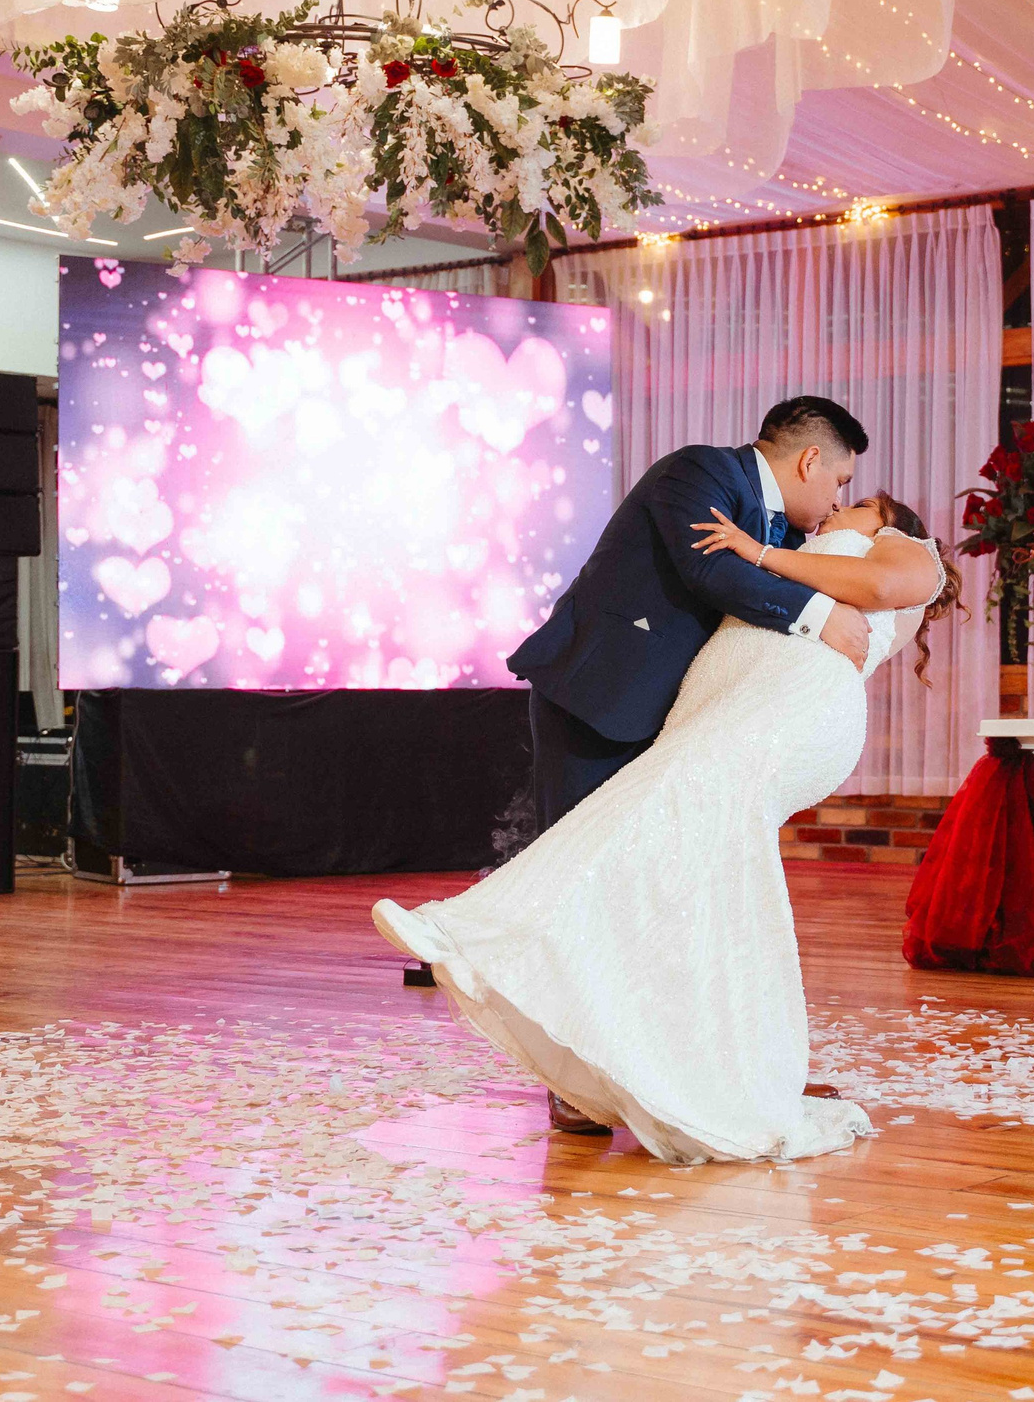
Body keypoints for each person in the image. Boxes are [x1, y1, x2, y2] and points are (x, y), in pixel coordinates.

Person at [376, 489, 961, 1164]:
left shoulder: (909, 555)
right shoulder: (806, 552)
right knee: (693, 871)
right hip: (728, 705)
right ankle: (701, 1062)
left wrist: (757, 553)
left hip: (787, 709)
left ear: (889, 523)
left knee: (639, 813)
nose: (836, 507)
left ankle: (476, 927)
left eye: (858, 502)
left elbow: (879, 586)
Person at [503, 396, 879, 834]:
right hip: (602, 696)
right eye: (840, 482)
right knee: (573, 850)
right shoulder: (703, 468)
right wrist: (821, 614)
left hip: (674, 722)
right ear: (809, 461)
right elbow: (709, 567)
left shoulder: (790, 538)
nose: (837, 502)